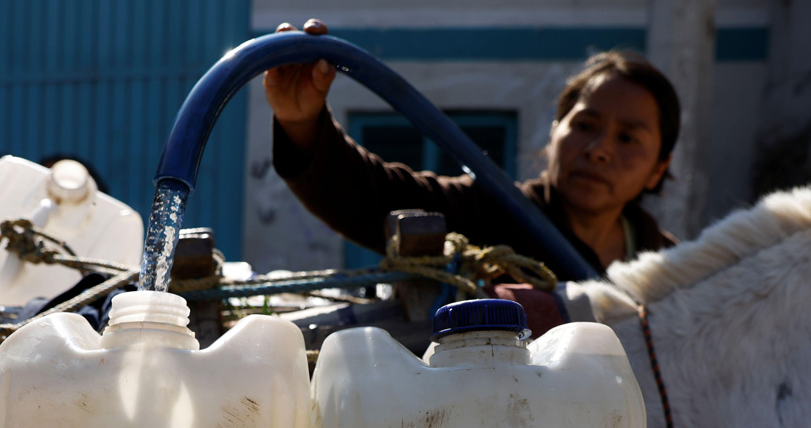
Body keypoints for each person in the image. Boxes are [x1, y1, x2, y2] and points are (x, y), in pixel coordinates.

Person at [263, 19, 680, 280]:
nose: (599, 149)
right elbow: (369, 194)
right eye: (585, 125)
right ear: (555, 131)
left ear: (658, 169)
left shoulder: (674, 269)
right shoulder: (491, 213)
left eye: (628, 138)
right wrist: (301, 120)